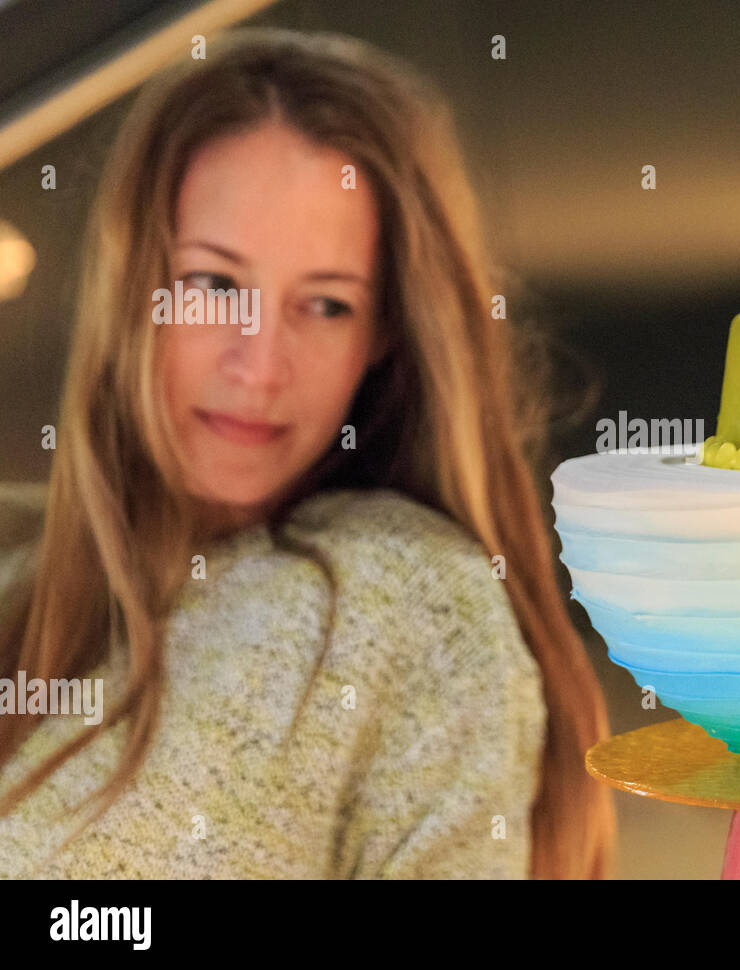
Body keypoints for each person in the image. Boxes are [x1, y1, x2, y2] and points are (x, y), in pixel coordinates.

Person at [0, 27, 615, 879]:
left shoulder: (407, 599)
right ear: (132, 288)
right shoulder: (17, 568)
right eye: (215, 285)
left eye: (324, 305)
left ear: (383, 336)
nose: (259, 367)